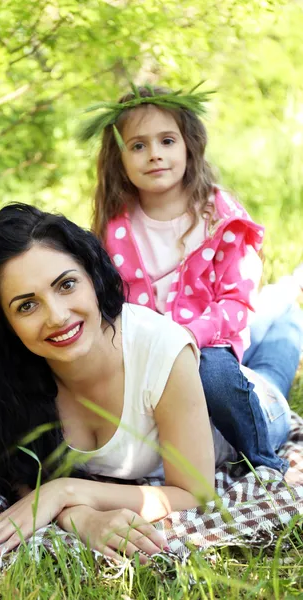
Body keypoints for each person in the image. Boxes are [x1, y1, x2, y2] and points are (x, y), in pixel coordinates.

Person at [0, 204, 290, 562]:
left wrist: (64, 491)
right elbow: (9, 469)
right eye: (27, 305)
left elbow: (196, 492)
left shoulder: (161, 349)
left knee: (271, 367)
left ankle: (287, 308)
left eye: (66, 285)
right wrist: (82, 518)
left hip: (242, 415)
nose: (57, 316)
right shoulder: (10, 375)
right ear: (2, 323)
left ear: (91, 275)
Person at [83, 83, 297, 474]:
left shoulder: (219, 216)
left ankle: (262, 459)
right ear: (119, 158)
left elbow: (235, 303)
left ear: (188, 145)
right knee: (269, 348)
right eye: (138, 146)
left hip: (210, 344)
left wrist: (183, 340)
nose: (155, 155)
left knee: (219, 377)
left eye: (167, 140)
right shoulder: (115, 227)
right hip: (144, 353)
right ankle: (287, 307)